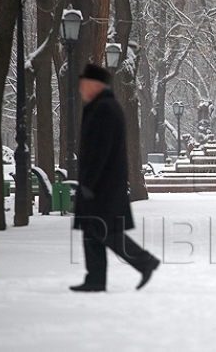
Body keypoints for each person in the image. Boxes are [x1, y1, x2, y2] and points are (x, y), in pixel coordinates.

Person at [70, 63, 159, 292]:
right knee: (94, 231)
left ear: (95, 84)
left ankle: (143, 261)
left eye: (83, 84)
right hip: (101, 184)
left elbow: (101, 150)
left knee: (105, 232)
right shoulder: (101, 107)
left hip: (102, 186)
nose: (80, 88)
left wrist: (89, 183)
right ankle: (95, 279)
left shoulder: (105, 109)